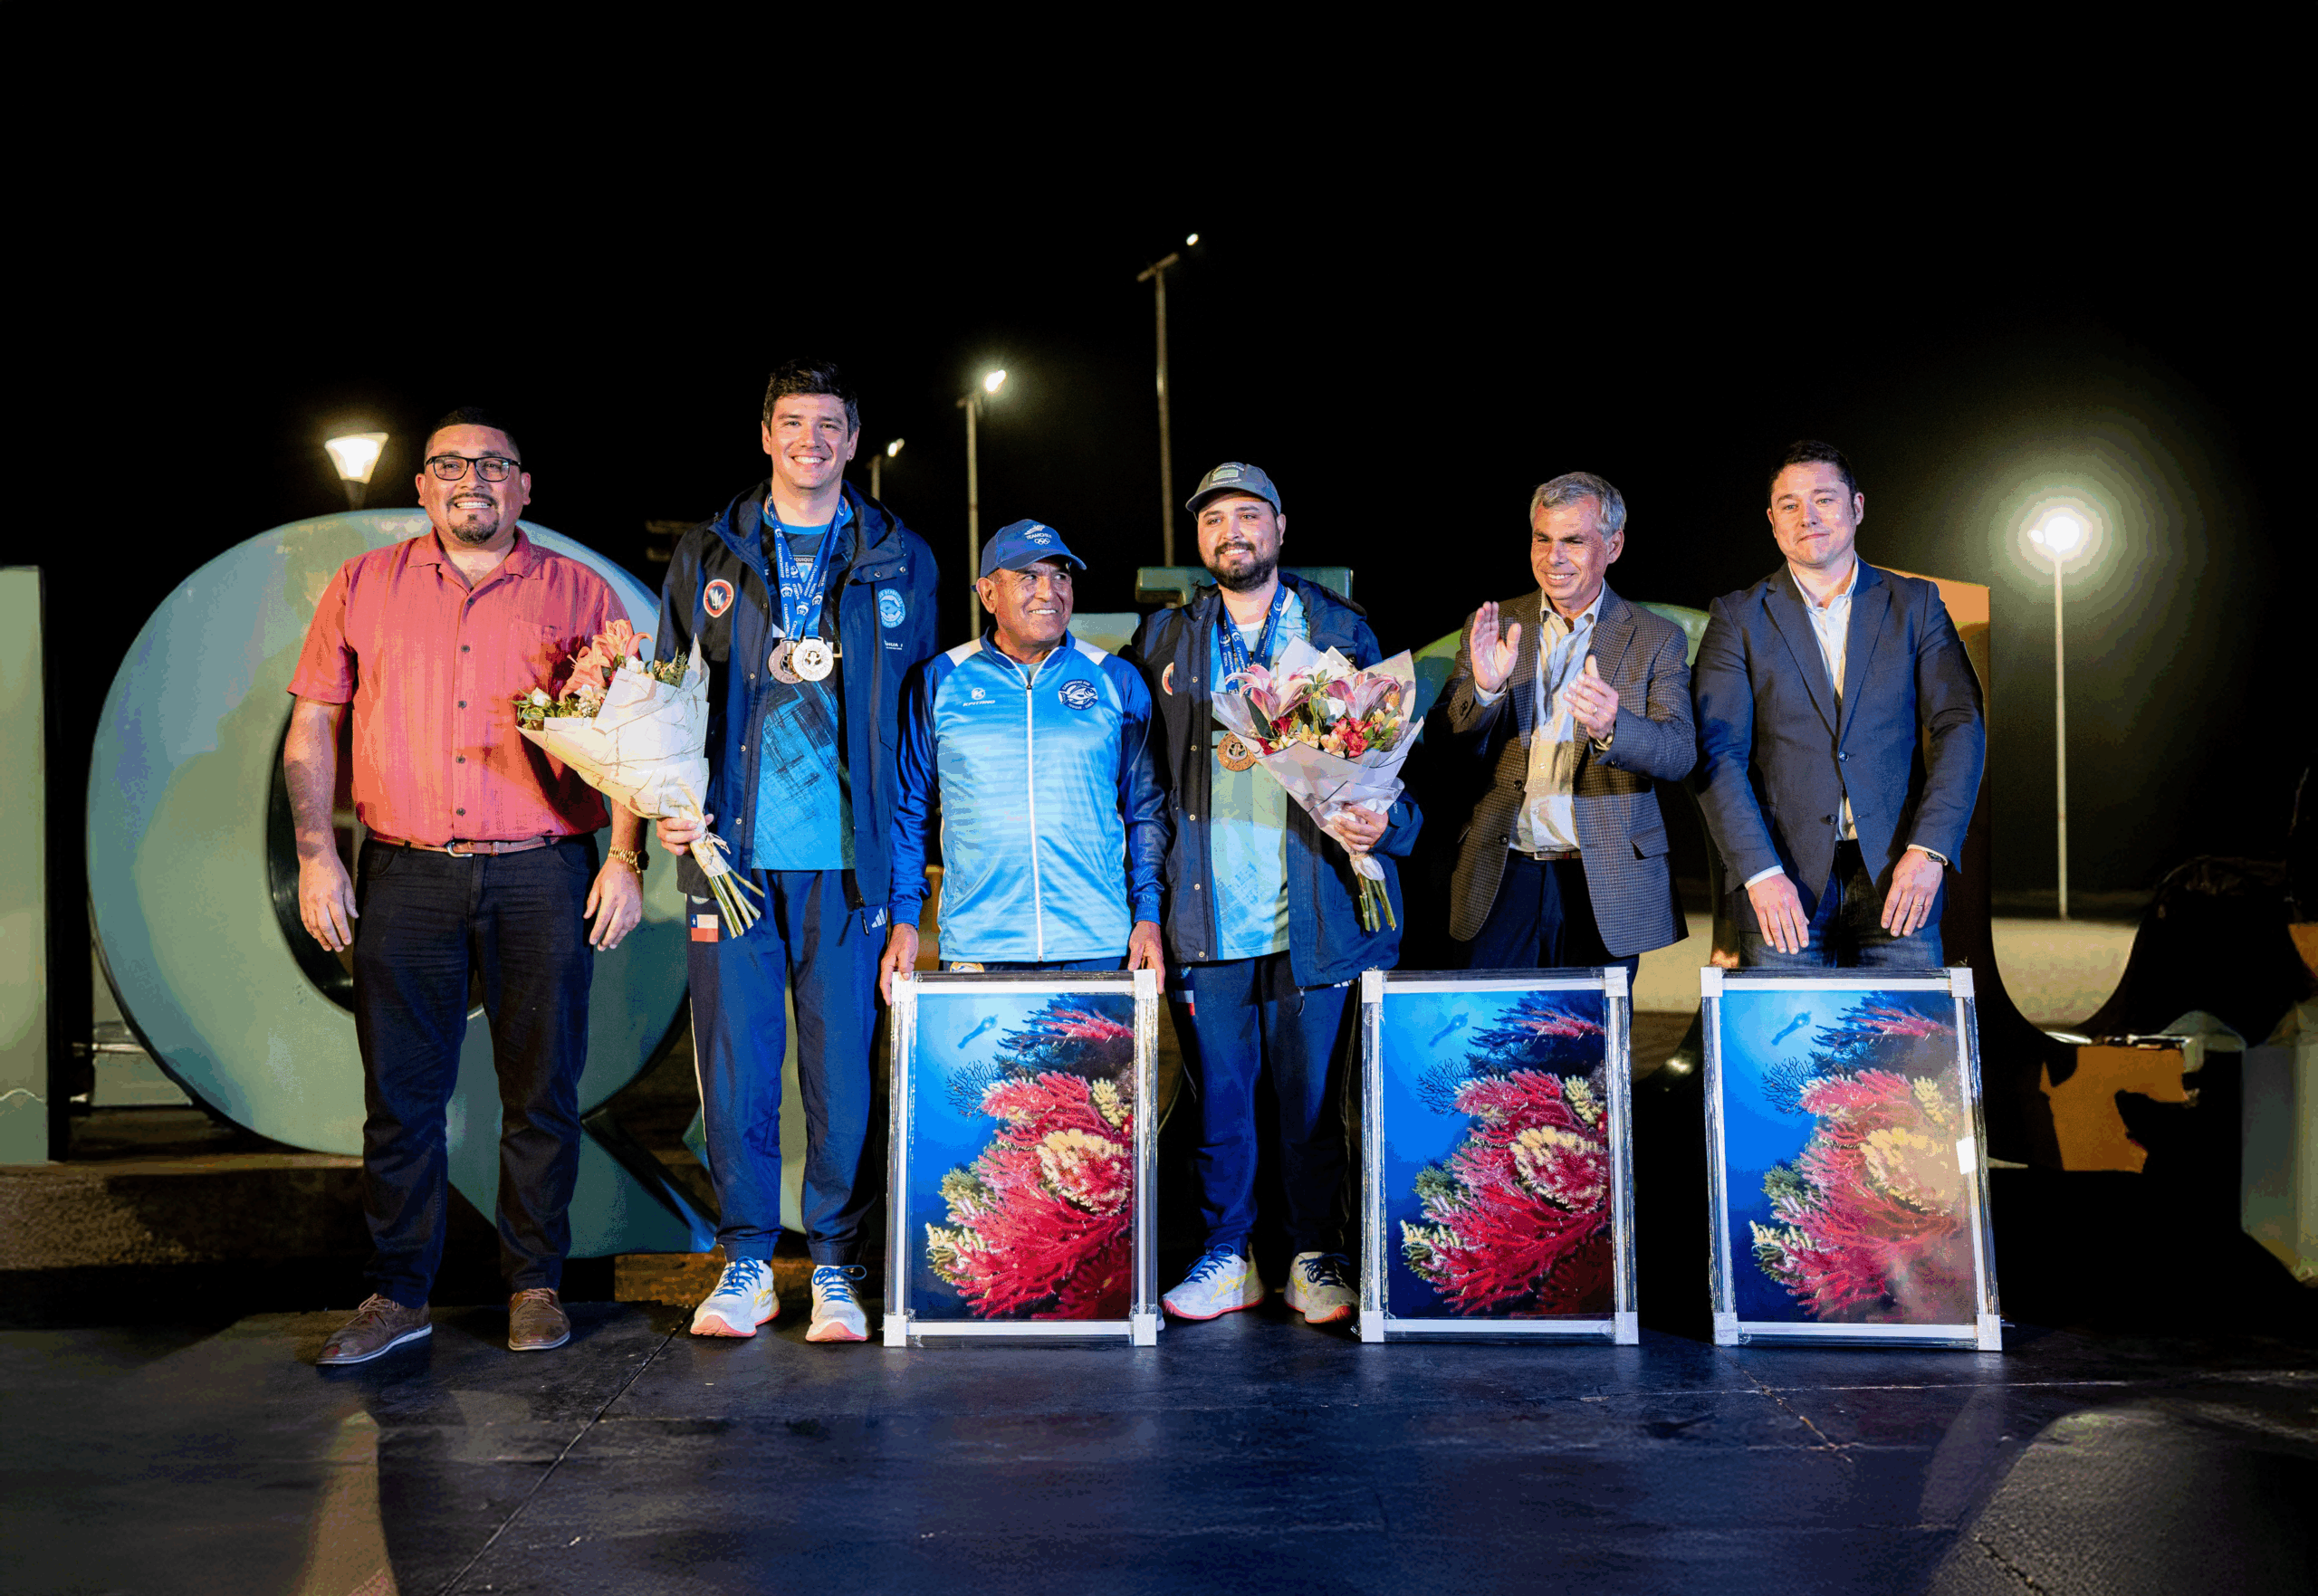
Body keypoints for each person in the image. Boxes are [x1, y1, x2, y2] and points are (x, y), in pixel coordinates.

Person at [292, 407, 647, 1365]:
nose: (472, 478)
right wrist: (318, 852)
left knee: (543, 1091)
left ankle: (535, 1283)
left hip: (542, 870)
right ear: (422, 487)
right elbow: (314, 722)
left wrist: (625, 856)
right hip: (405, 871)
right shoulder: (363, 584)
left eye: (494, 464)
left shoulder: (578, 589)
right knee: (401, 1098)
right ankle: (398, 1294)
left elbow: (630, 732)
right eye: (449, 463)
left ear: (524, 488)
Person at [653, 358, 940, 1343]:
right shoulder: (709, 551)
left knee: (842, 1074)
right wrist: (667, 803)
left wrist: (907, 893)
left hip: (848, 866)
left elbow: (914, 738)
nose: (810, 439)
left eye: (829, 424)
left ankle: (835, 1266)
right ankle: (744, 1261)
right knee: (736, 1067)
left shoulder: (901, 556)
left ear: (853, 439)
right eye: (792, 422)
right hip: (729, 859)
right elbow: (663, 699)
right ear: (765, 434)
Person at [1125, 462, 1421, 1328]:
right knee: (1221, 1102)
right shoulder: (1167, 639)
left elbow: (1387, 762)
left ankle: (1312, 1253)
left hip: (1315, 912)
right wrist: (1147, 904)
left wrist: (1382, 821)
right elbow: (1143, 785)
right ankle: (1228, 1255)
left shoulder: (1337, 630)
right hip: (1208, 912)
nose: (1233, 532)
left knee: (1310, 1103)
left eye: (1248, 515)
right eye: (1215, 519)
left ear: (1281, 528)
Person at [1692, 440, 1985, 967]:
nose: (1807, 516)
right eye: (1789, 505)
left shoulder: (1916, 604)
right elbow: (1718, 753)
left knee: (1901, 1024)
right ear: (1772, 522)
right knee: (1786, 1026)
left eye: (1824, 499)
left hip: (1900, 876)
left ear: (1857, 507)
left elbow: (1959, 726)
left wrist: (1930, 850)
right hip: (1782, 886)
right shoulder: (1736, 618)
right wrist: (1759, 872)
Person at [879, 520, 1166, 991]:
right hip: (978, 942)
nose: (1049, 592)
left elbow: (1146, 810)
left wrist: (1148, 914)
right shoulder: (939, 679)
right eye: (1028, 577)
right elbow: (911, 811)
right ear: (988, 594)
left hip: (1096, 941)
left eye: (1061, 576)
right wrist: (905, 918)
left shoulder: (1116, 679)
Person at [1442, 472, 1695, 979]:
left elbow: (1679, 752)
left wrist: (1614, 726)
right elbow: (1449, 747)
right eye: (1543, 539)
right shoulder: (1495, 624)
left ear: (1613, 546)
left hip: (1603, 881)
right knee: (1492, 1025)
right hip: (1503, 873)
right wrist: (1486, 692)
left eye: (1573, 541)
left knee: (1590, 1030)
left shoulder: (1656, 638)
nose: (1553, 557)